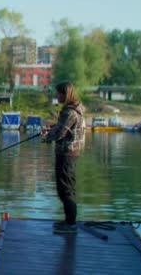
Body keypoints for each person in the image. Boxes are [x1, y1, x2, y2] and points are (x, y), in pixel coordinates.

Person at [41, 81, 85, 234]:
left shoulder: (70, 112)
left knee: (66, 189)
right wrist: (52, 128)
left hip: (67, 154)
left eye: (57, 93)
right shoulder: (74, 109)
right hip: (69, 153)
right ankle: (68, 221)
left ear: (64, 94)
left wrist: (46, 136)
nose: (56, 95)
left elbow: (60, 133)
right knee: (65, 188)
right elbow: (63, 128)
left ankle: (71, 224)